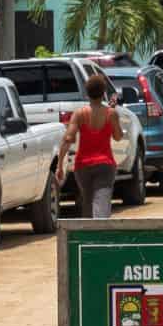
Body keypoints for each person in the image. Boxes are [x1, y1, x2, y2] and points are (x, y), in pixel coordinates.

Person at [55, 74, 125, 219]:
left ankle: (88, 237)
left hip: (83, 167)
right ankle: (101, 234)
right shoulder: (111, 114)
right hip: (105, 165)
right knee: (102, 202)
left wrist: (60, 165)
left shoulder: (79, 114)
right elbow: (118, 137)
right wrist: (114, 116)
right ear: (103, 92)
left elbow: (68, 138)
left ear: (87, 93)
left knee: (87, 201)